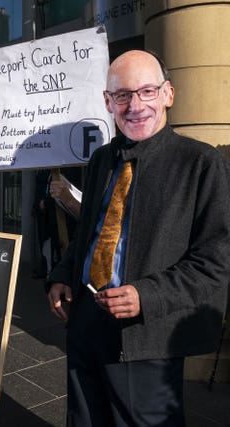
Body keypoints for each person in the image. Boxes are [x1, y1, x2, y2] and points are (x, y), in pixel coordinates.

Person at [46, 50, 230, 426]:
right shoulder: (100, 160)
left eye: (147, 91)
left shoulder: (201, 163)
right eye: (123, 95)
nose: (135, 106)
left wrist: (147, 295)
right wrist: (62, 273)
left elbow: (216, 258)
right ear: (107, 102)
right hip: (85, 319)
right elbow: (89, 232)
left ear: (168, 94)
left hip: (147, 335)